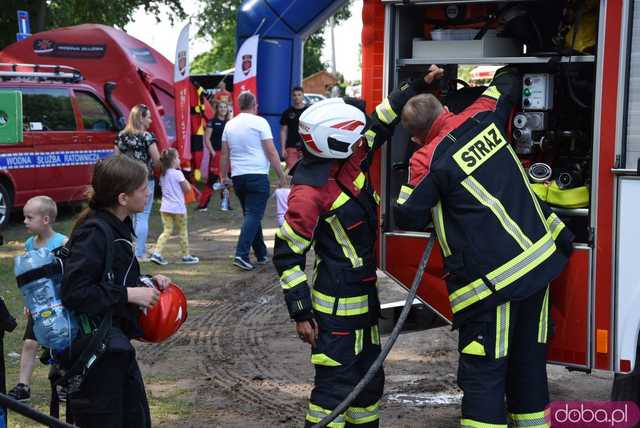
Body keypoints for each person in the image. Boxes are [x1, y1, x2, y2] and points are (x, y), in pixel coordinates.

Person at [392, 67, 574, 427]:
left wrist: (415, 165)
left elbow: (407, 216)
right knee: (527, 365)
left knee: (484, 373)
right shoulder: (482, 115)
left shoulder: (426, 158)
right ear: (444, 110)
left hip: (496, 283)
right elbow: (504, 84)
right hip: (540, 266)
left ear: (417, 137)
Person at [272, 66, 445, 427]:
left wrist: (416, 85)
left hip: (365, 306)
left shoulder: (348, 157)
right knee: (333, 393)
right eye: (354, 137)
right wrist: (301, 312)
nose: (362, 139)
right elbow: (288, 255)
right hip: (333, 315)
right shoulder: (308, 193)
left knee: (368, 389)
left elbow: (380, 121)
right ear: (333, 141)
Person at [61, 155, 172, 428]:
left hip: (115, 347)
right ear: (123, 198)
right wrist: (130, 295)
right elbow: (75, 292)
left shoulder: (117, 227)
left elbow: (110, 277)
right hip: (97, 353)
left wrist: (146, 281)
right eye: (143, 187)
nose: (148, 192)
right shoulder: (95, 232)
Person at [8, 196, 67, 402]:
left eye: (28, 217)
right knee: (30, 343)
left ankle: (63, 383)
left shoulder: (62, 243)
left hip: (59, 305)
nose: (24, 221)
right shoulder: (29, 243)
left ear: (45, 220)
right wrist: (28, 303)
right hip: (38, 306)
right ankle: (23, 386)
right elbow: (28, 278)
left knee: (60, 344)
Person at [220, 91, 286, 271]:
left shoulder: (230, 125)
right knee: (253, 215)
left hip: (238, 177)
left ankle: (261, 253)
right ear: (254, 105)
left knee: (251, 214)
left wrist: (223, 176)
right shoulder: (260, 122)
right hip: (257, 175)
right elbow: (271, 151)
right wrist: (281, 174)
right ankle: (241, 254)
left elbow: (224, 153)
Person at [114, 104, 160, 262]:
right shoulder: (147, 137)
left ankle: (130, 248)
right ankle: (139, 253)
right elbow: (156, 160)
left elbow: (116, 158)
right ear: (140, 118)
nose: (151, 120)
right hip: (144, 180)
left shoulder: (121, 136)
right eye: (148, 117)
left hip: (126, 179)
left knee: (128, 215)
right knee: (142, 216)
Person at [150, 149, 199, 266]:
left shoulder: (163, 174)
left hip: (165, 208)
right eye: (178, 158)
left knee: (167, 231)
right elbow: (187, 189)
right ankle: (186, 256)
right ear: (173, 160)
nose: (180, 160)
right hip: (178, 209)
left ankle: (157, 253)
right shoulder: (178, 174)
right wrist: (185, 180)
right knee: (182, 231)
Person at [198, 101, 233, 211]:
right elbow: (207, 138)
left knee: (226, 179)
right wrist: (212, 151)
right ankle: (203, 205)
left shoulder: (229, 123)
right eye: (221, 107)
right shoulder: (212, 122)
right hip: (217, 154)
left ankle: (226, 205)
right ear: (217, 109)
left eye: (225, 107)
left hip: (227, 155)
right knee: (212, 180)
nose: (223, 109)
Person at [279, 86, 308, 170]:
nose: (297, 97)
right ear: (292, 97)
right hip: (291, 147)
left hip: (305, 147)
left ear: (303, 96)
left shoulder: (308, 111)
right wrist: (283, 148)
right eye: (294, 95)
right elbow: (283, 131)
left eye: (299, 95)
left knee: (304, 172)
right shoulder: (287, 112)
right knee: (290, 172)